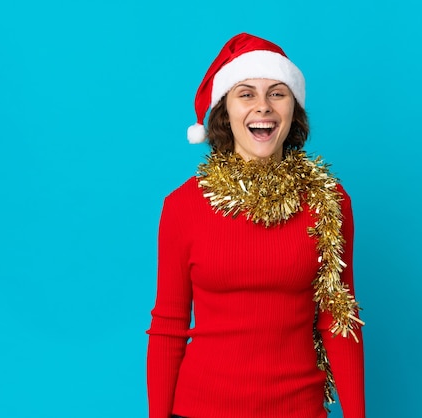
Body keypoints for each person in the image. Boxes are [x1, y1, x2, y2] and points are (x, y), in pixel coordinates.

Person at [146, 33, 365, 418]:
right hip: (200, 408)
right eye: (246, 94)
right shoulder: (182, 206)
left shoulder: (329, 200)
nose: (262, 107)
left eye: (277, 94)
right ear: (224, 111)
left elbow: (338, 317)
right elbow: (168, 325)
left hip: (299, 409)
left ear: (293, 110)